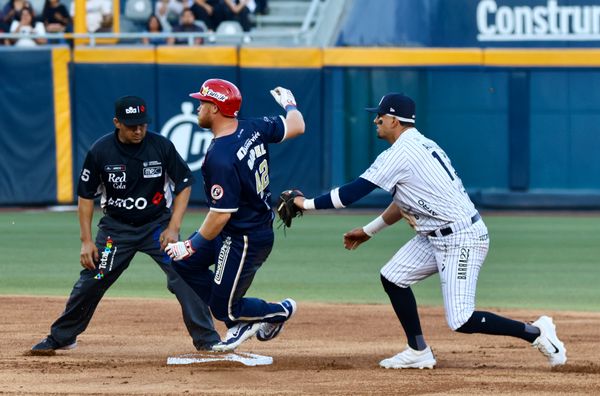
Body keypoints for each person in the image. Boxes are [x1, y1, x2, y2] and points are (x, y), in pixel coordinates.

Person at [287, 92, 567, 369]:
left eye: (380, 116)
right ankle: (418, 350)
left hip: (461, 238)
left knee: (461, 320)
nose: (375, 121)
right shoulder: (420, 145)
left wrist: (305, 204)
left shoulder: (400, 154)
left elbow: (349, 194)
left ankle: (536, 333)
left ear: (394, 121)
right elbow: (403, 201)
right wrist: (369, 231)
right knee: (393, 277)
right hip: (435, 235)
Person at [31, 95, 221, 355]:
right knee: (94, 278)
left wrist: (174, 226)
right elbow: (86, 196)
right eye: (132, 125)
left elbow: (184, 183)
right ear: (117, 123)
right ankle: (63, 336)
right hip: (116, 231)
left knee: (184, 272)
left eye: (142, 124)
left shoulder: (161, 146)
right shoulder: (101, 151)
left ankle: (207, 340)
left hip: (157, 227)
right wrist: (86, 241)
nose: (139, 130)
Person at [165, 79, 305, 351]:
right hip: (237, 230)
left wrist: (190, 244)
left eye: (202, 103)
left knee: (223, 308)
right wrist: (289, 104)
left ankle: (278, 311)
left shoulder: (220, 156)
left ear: (215, 108)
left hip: (245, 237)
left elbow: (220, 215)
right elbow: (298, 125)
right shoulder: (251, 126)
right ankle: (238, 319)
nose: (198, 108)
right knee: (184, 264)